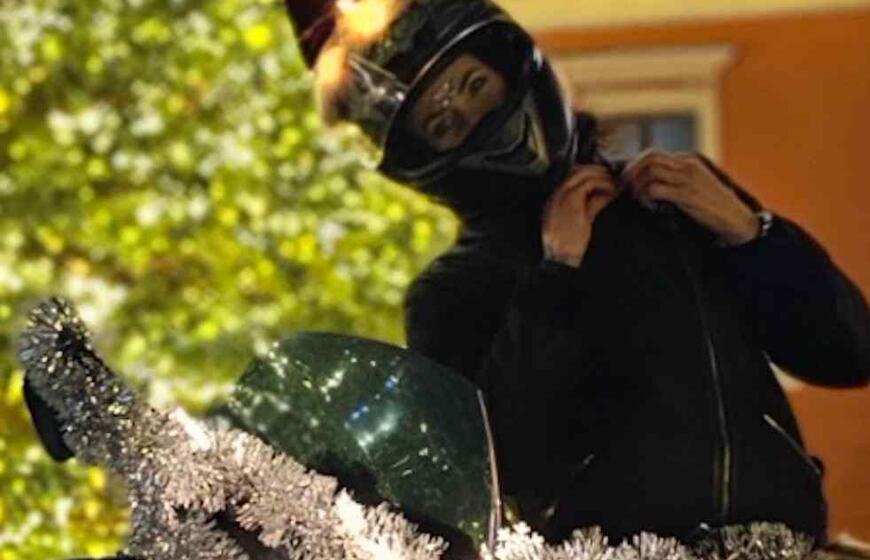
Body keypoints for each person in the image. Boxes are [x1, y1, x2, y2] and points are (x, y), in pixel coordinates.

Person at [25, 0, 870, 551]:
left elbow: (846, 349)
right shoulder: (457, 291)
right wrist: (556, 274)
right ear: (426, 157)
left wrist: (751, 232)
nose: (469, 111)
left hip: (795, 545)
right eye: (443, 117)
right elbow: (493, 474)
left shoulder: (673, 204)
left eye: (472, 85)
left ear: (512, 66)